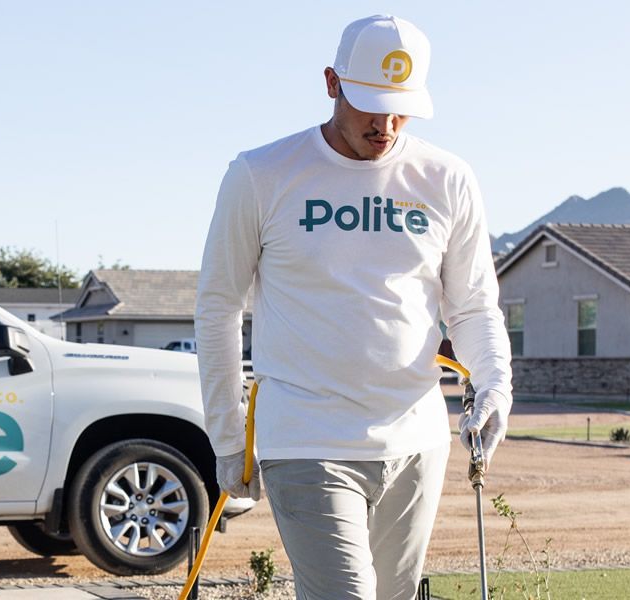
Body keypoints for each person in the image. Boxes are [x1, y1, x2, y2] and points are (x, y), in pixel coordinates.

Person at [194, 14, 514, 600]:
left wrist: (495, 386)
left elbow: (473, 307)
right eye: (370, 105)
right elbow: (218, 306)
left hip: (417, 440)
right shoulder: (261, 175)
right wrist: (227, 435)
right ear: (331, 83)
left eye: (401, 108)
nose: (385, 125)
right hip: (307, 437)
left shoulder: (447, 179)